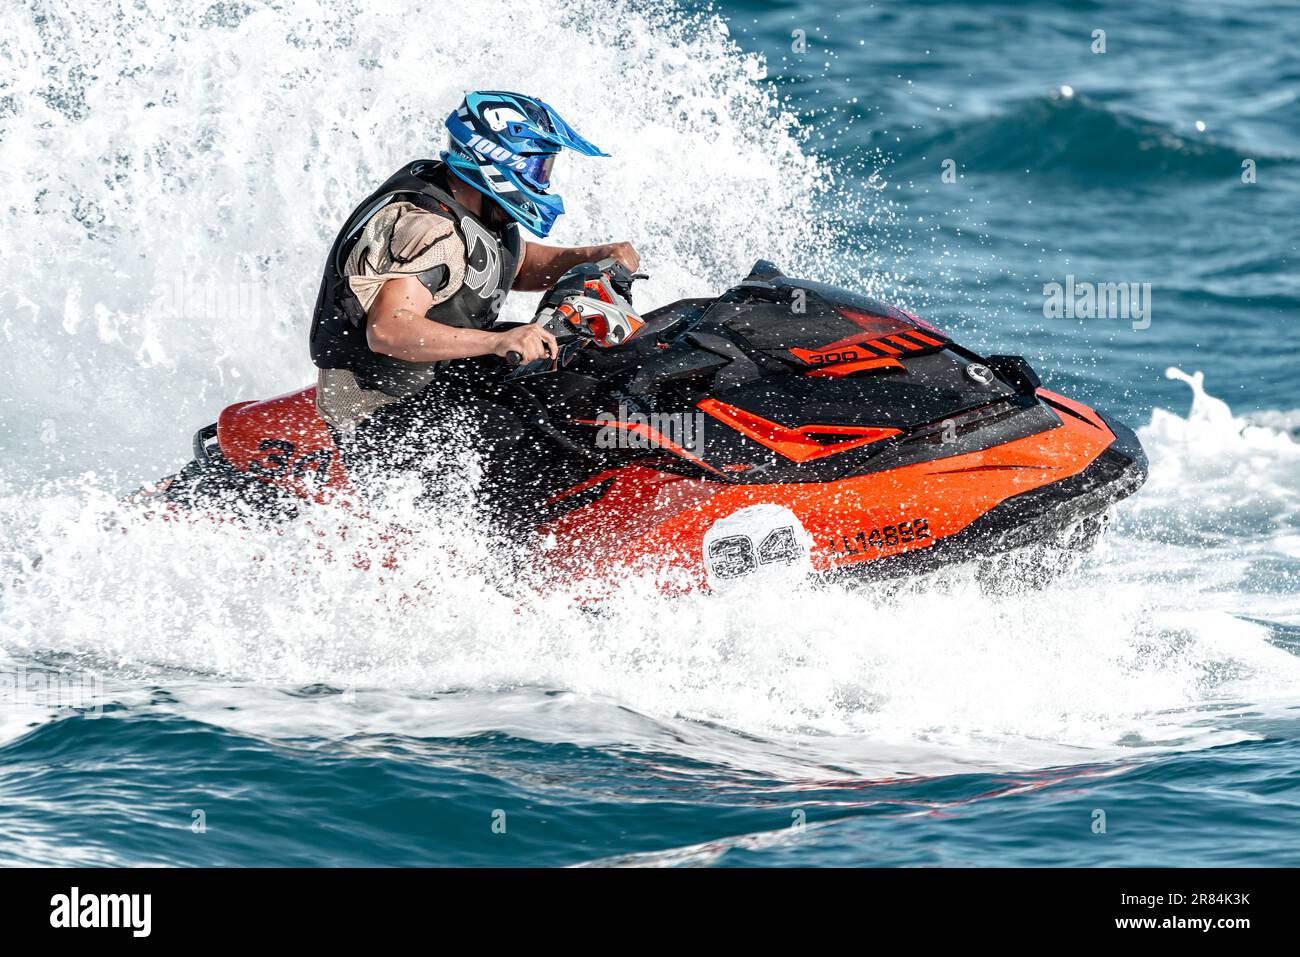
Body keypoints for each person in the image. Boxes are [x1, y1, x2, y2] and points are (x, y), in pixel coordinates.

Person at [307, 91, 639, 503]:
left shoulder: (470, 208)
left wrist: (592, 257)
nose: (543, 180)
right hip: (376, 406)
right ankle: (514, 556)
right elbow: (390, 330)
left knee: (578, 381)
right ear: (496, 158)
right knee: (518, 439)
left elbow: (502, 266)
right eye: (537, 165)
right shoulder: (424, 226)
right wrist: (499, 341)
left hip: (438, 378)